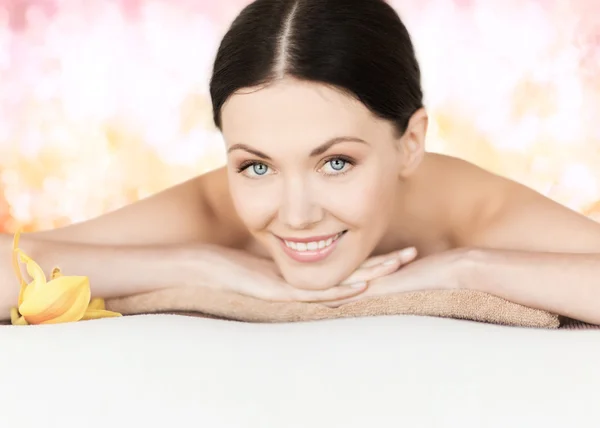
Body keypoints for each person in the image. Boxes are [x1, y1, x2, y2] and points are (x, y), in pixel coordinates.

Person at [2, 0, 600, 324]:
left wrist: (470, 269)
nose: (297, 214)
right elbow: (15, 269)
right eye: (255, 166)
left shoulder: (476, 211)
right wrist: (204, 263)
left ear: (410, 142)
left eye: (336, 162)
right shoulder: (214, 210)